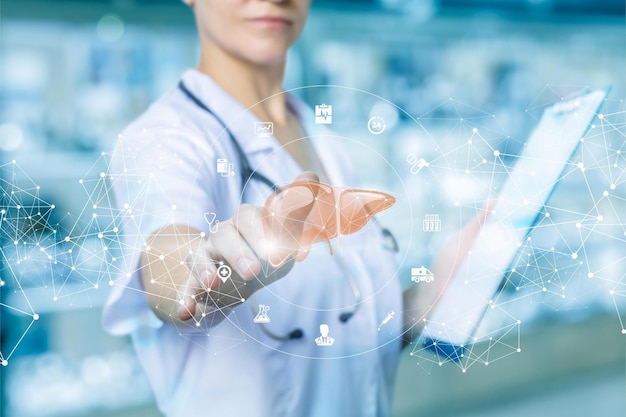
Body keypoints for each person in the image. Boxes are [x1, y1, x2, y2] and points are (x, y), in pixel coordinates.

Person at [102, 1, 488, 416]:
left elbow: (345, 334)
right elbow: (171, 269)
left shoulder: (326, 143)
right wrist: (209, 267)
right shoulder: (167, 139)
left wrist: (432, 294)